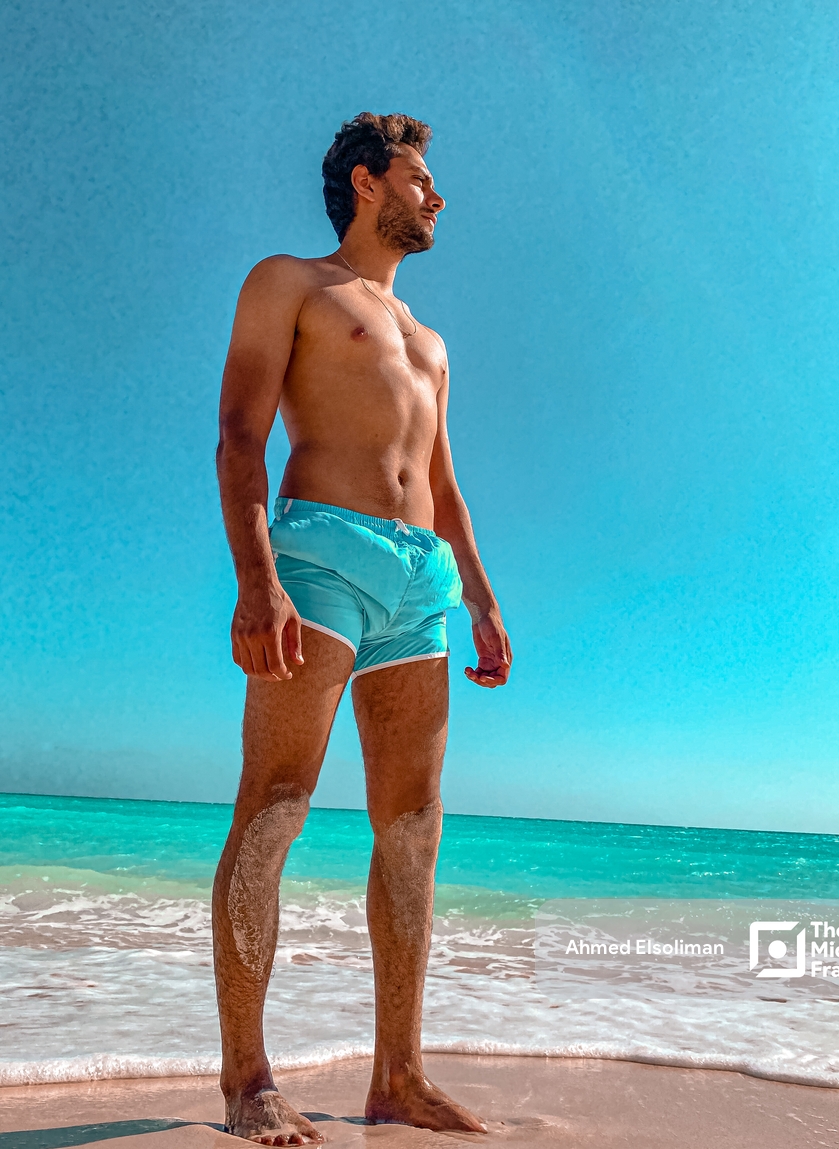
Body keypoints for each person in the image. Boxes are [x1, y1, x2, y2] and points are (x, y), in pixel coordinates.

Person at [212, 112, 512, 1145]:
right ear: (367, 179)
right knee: (279, 801)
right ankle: (247, 1080)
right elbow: (241, 433)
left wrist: (478, 592)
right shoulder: (290, 282)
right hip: (318, 558)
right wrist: (258, 582)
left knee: (413, 828)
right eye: (422, 179)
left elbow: (443, 479)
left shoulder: (428, 339)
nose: (437, 197)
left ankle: (398, 1076)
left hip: (420, 584)